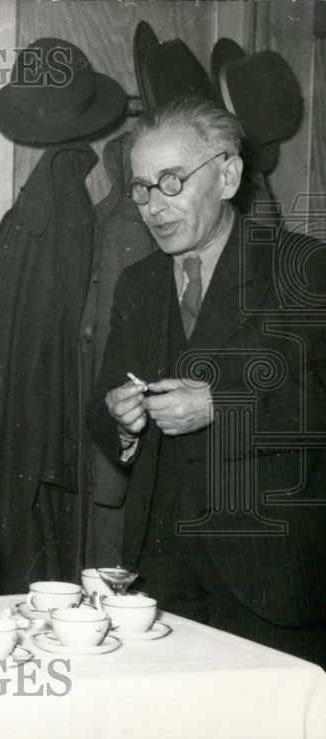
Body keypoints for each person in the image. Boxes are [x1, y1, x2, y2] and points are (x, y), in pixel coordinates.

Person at [87, 97, 326, 665]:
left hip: (269, 574)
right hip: (160, 573)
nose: (153, 206)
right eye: (141, 187)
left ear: (227, 174)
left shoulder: (305, 268)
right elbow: (102, 410)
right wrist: (121, 421)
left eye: (172, 181)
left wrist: (225, 405)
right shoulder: (139, 284)